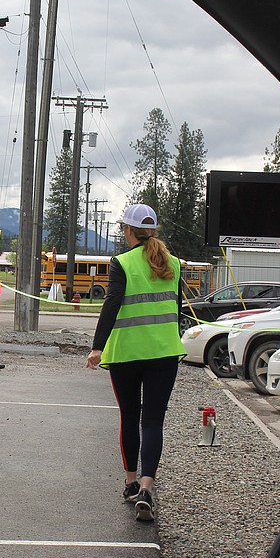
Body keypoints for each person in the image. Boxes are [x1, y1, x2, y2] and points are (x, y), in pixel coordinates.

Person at [86, 204, 186, 522]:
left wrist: (97, 347)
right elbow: (178, 308)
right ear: (152, 231)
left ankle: (130, 483)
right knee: (153, 421)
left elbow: (112, 304)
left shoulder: (122, 263)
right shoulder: (174, 264)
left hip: (127, 354)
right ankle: (147, 486)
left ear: (127, 231)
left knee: (130, 417)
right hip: (165, 352)